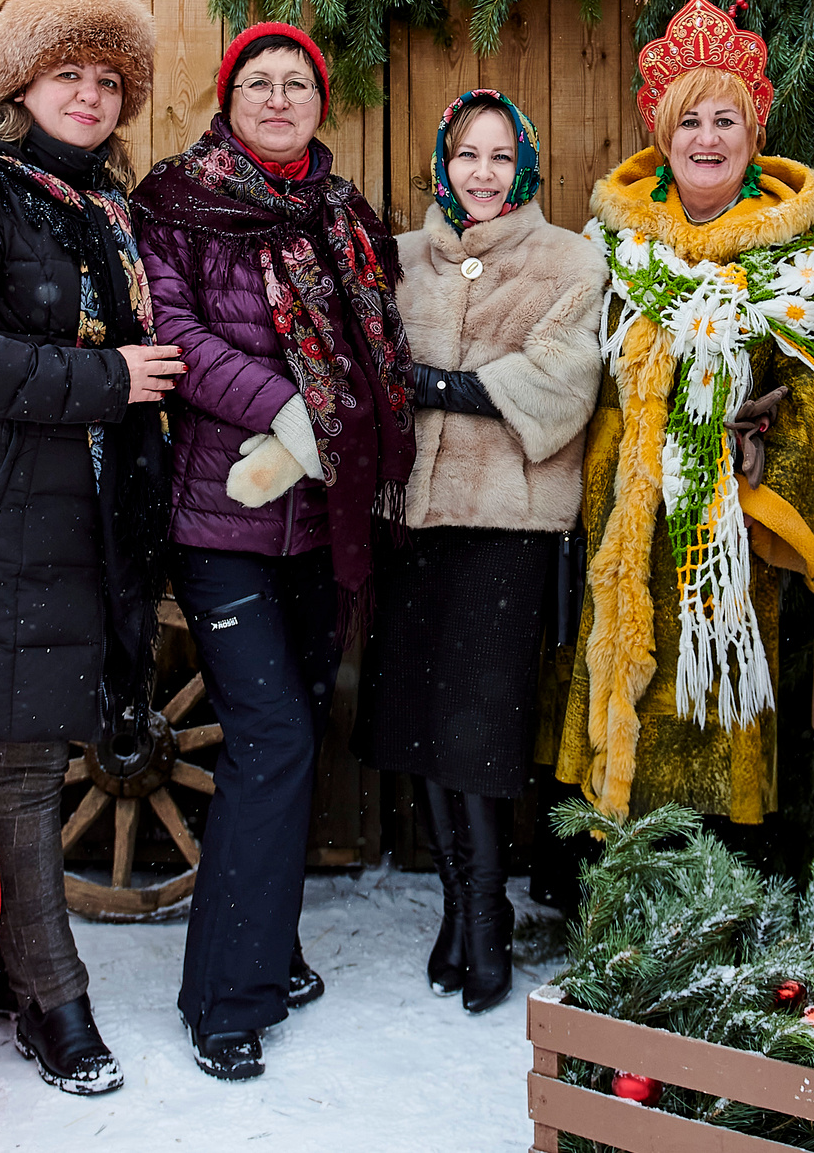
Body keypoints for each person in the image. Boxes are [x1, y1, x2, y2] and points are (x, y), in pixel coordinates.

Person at [0, 0, 181, 1096]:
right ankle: (56, 1005)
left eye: (111, 79)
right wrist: (105, 377)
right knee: (15, 767)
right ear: (23, 80)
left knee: (12, 755)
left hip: (72, 522)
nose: (91, 95)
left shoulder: (101, 203)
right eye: (70, 72)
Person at [133, 22, 416, 1082]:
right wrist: (291, 411)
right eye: (259, 82)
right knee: (274, 740)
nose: (279, 96)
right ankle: (225, 1002)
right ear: (228, 97)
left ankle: (269, 946)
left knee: (294, 731)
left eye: (297, 83)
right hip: (224, 517)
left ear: (318, 102)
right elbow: (177, 334)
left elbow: (373, 338)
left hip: (319, 520)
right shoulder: (178, 200)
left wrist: (346, 428)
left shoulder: (342, 213)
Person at [550, 0, 814, 827]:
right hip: (623, 524)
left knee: (718, 714)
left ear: (753, 136)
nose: (707, 138)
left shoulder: (793, 261)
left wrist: (764, 474)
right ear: (663, 137)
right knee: (622, 702)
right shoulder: (616, 248)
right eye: (690, 122)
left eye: (726, 120)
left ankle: (721, 891)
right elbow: (577, 374)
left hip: (729, 537)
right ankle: (616, 889)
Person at [359, 90, 606, 1014]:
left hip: (509, 526)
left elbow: (559, 382)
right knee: (419, 724)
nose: (483, 173)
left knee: (478, 729)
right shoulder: (401, 261)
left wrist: (430, 383)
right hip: (415, 521)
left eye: (501, 157)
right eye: (467, 154)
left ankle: (489, 915)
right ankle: (458, 909)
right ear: (443, 163)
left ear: (526, 168)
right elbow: (359, 359)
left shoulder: (569, 259)